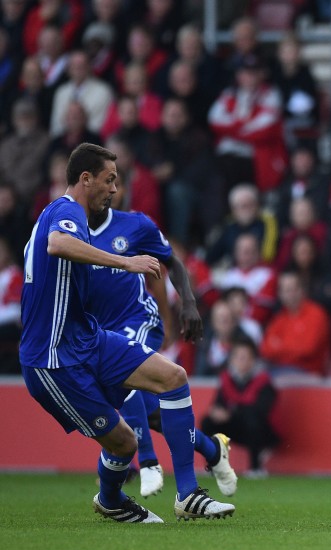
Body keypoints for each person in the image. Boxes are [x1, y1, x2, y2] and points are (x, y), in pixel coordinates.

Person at [20, 143, 233, 522]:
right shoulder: (66, 210)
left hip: (89, 338)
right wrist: (125, 261)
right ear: (85, 179)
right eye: (109, 180)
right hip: (52, 358)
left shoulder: (88, 218)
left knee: (173, 378)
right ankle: (112, 499)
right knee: (124, 442)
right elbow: (57, 244)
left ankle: (188, 495)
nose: (114, 189)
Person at [83, 178, 238, 500]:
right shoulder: (69, 233)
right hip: (99, 332)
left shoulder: (136, 225)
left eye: (117, 182)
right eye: (107, 181)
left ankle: (149, 462)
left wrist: (187, 307)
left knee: (122, 378)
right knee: (155, 413)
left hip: (138, 320)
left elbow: (168, 265)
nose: (112, 190)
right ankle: (213, 449)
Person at [201, 336, 281, 477]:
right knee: (207, 422)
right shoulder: (227, 380)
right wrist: (217, 412)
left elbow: (260, 411)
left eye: (246, 357)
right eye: (238, 357)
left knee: (252, 419)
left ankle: (255, 468)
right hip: (235, 427)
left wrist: (231, 413)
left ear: (253, 360)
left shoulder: (263, 381)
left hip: (261, 432)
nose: (241, 361)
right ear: (231, 360)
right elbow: (218, 404)